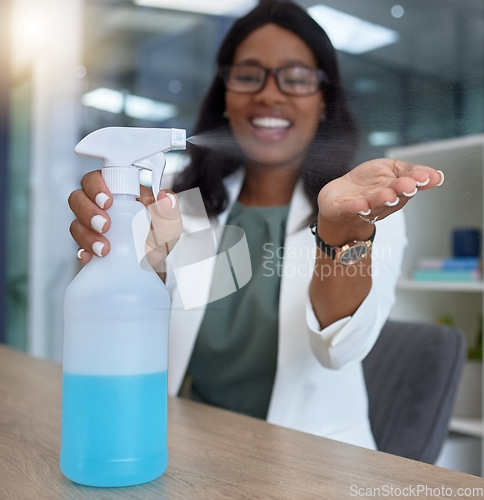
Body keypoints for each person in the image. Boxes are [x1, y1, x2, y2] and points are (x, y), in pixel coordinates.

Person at [68, 0, 444, 449]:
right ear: (224, 95)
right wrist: (129, 262)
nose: (269, 94)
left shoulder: (360, 209)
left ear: (325, 99)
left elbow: (338, 348)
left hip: (310, 464)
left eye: (296, 77)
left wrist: (341, 230)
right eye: (248, 75)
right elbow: (131, 331)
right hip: (186, 446)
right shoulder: (179, 203)